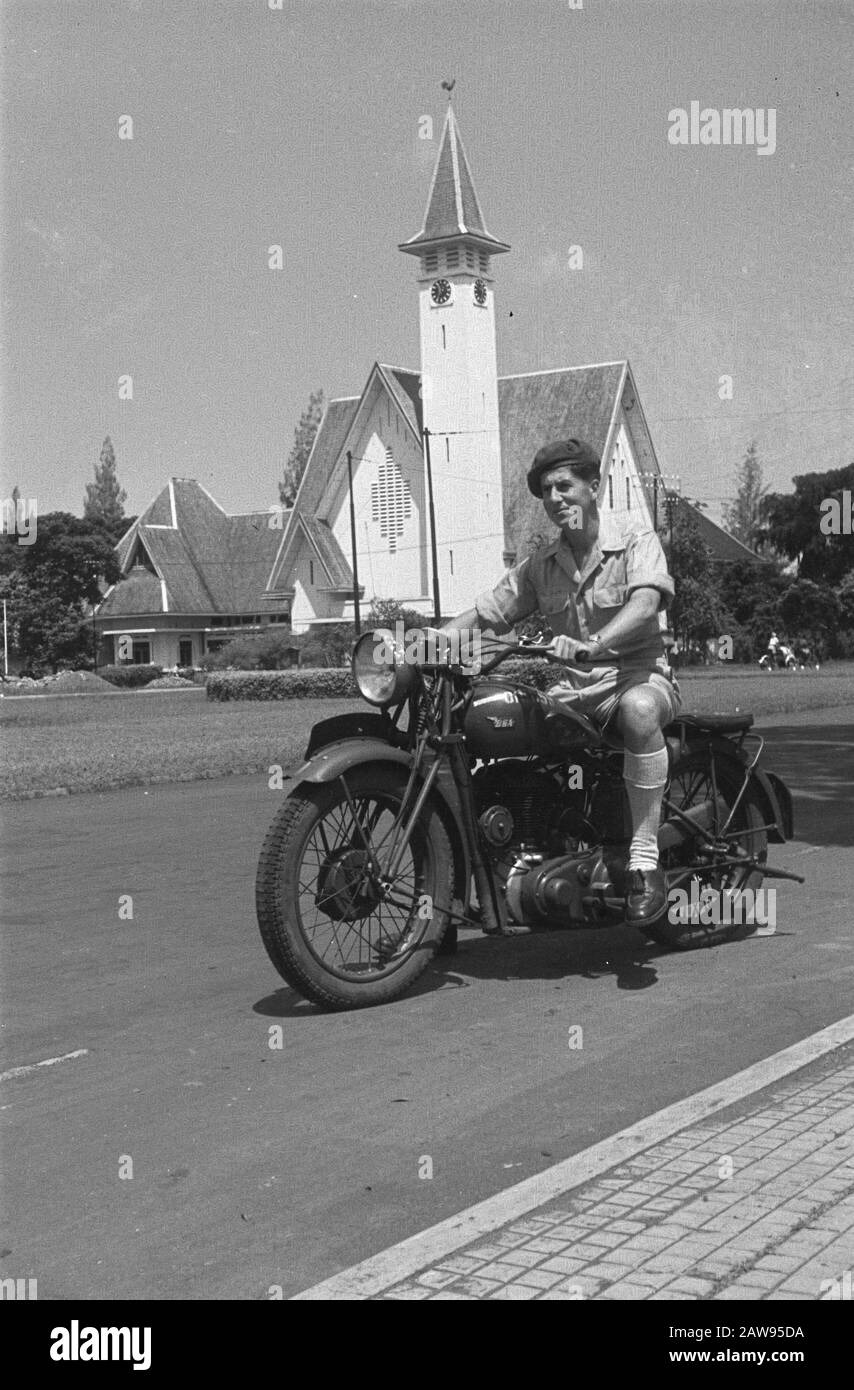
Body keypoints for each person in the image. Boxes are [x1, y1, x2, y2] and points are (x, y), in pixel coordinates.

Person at [442, 438, 681, 925]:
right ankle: (534, 848)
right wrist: (426, 644)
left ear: (593, 487)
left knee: (638, 711)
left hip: (637, 676)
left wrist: (595, 643)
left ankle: (643, 858)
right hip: (575, 692)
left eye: (564, 486)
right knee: (505, 723)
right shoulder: (542, 565)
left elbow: (647, 603)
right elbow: (490, 611)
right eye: (546, 490)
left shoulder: (634, 536)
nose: (555, 498)